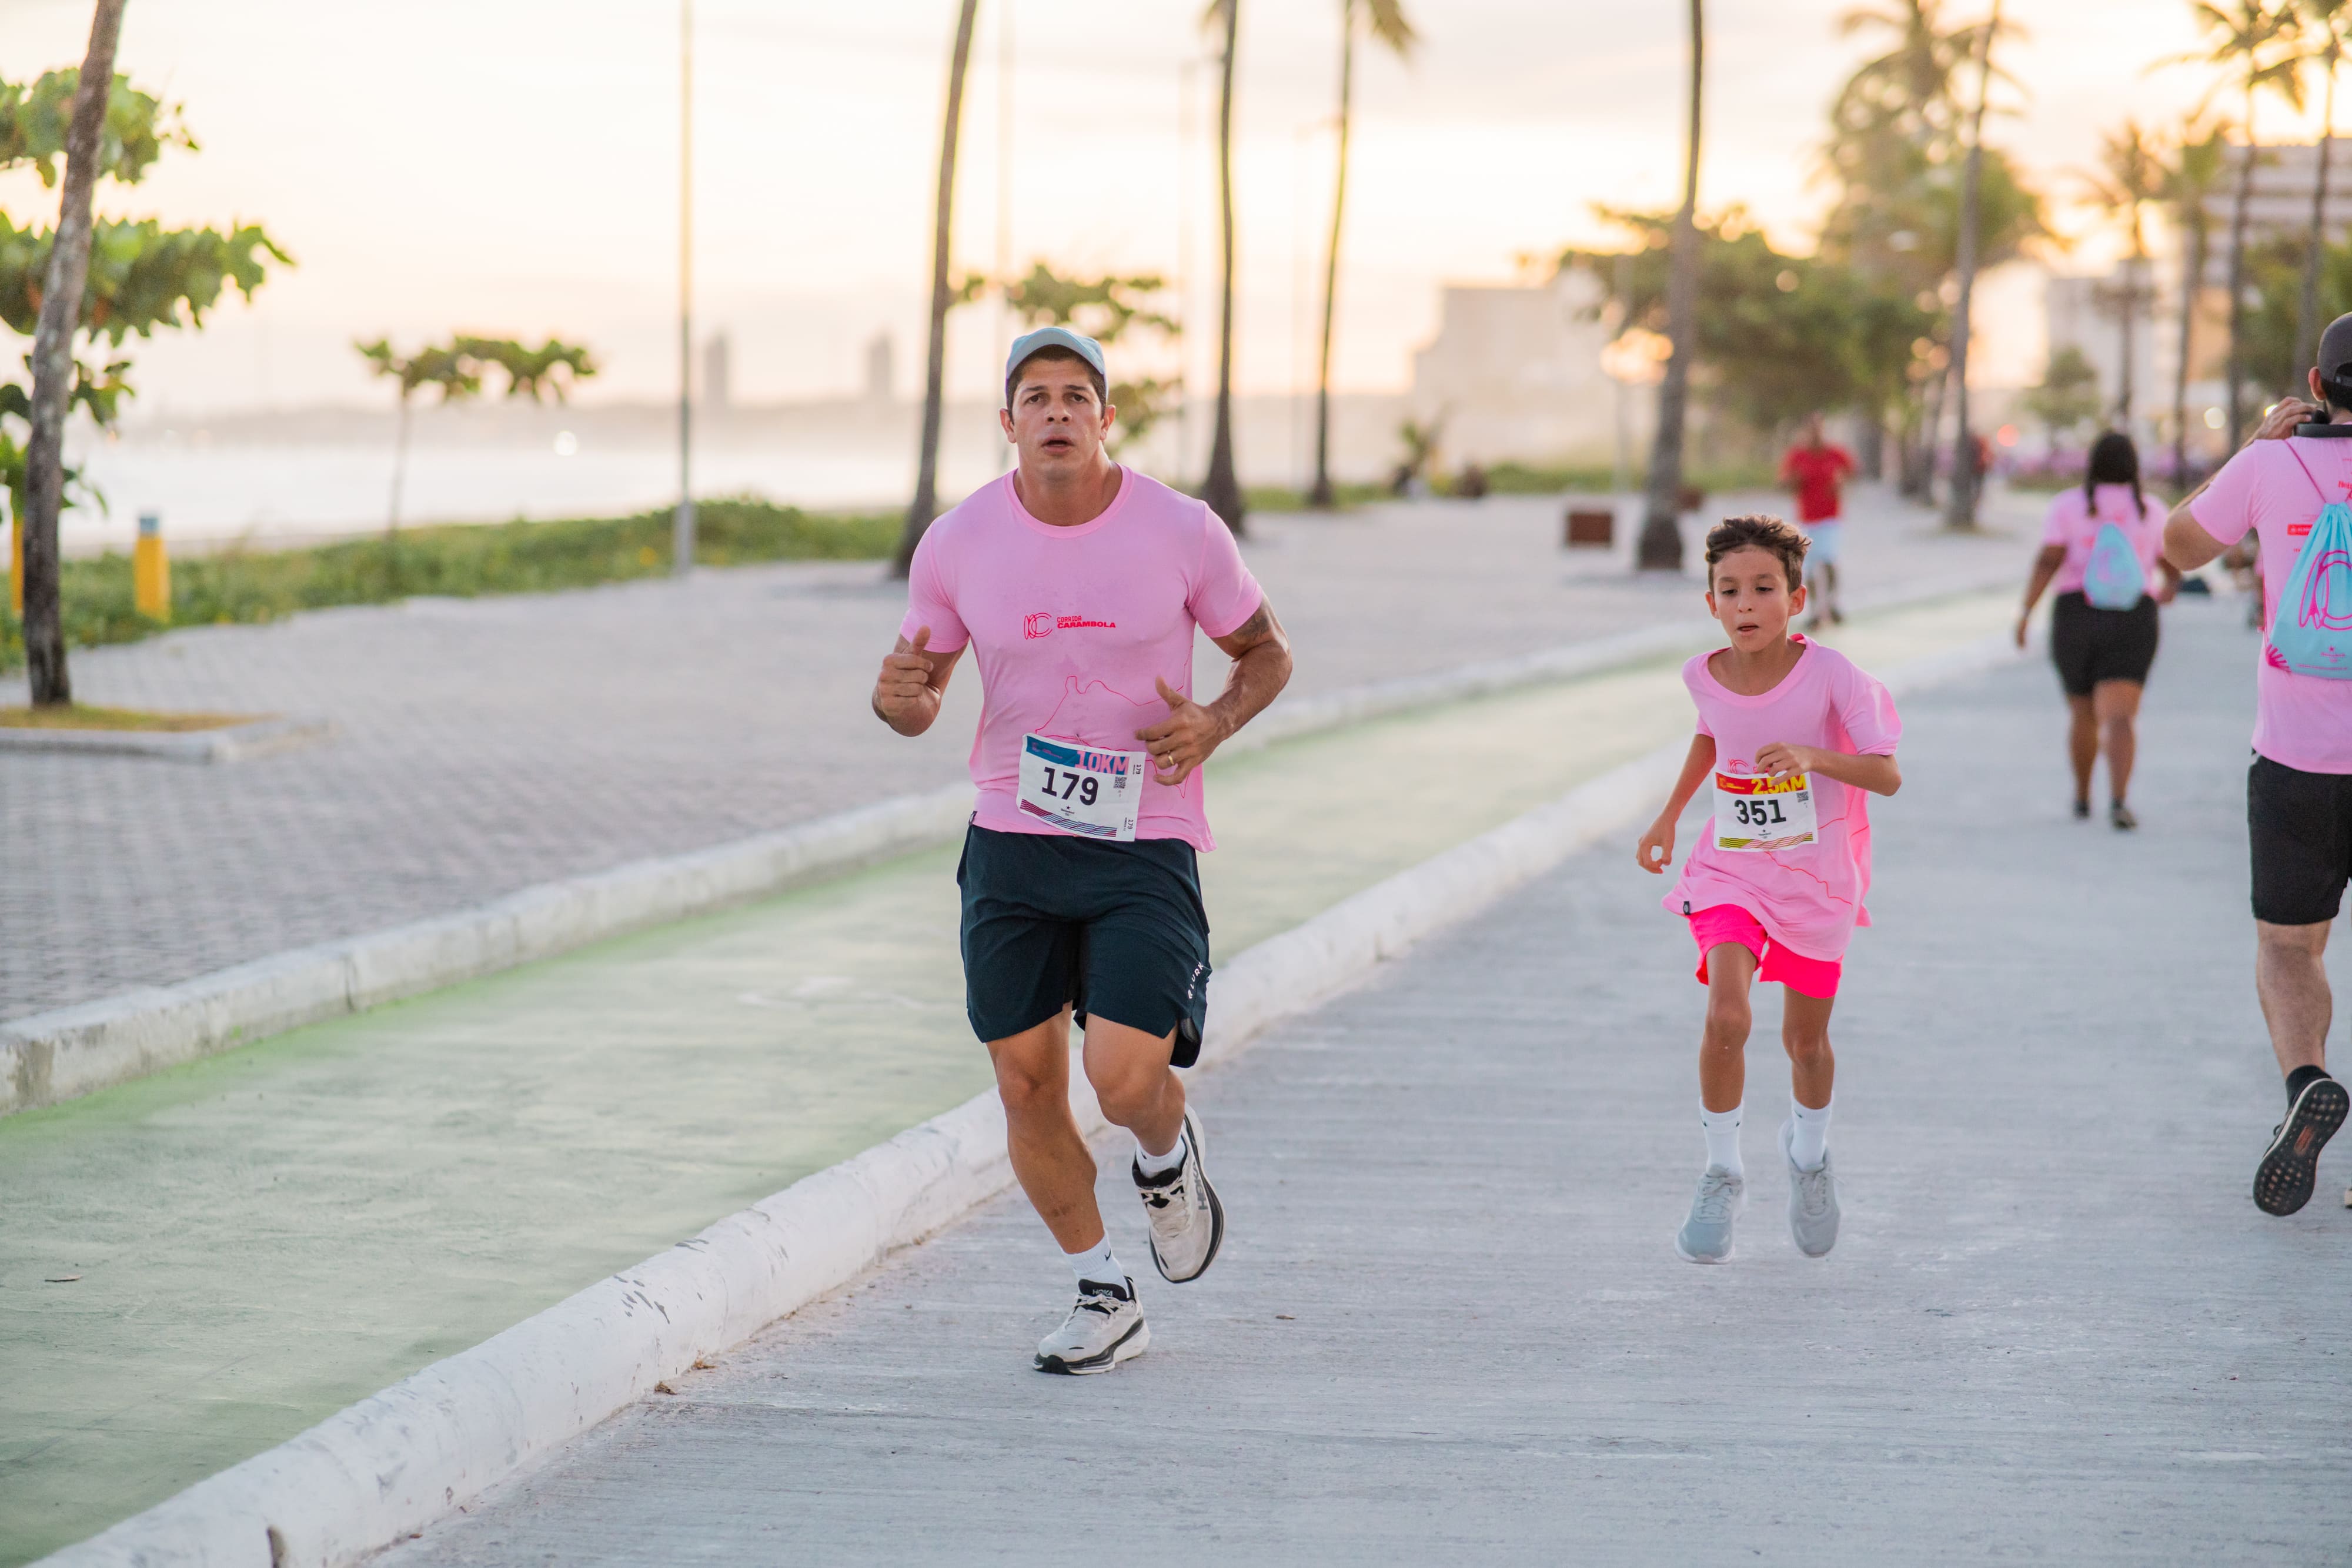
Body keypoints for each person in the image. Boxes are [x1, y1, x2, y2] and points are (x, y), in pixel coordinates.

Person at [871, 326, 1293, 1371]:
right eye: (1035, 396)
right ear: (1007, 423)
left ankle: (1166, 1153)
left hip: (1141, 836)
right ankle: (1104, 1290)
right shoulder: (956, 542)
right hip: (1012, 837)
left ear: (1106, 418)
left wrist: (1214, 721)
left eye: (1075, 395)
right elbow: (919, 697)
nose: (1055, 411)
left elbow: (1267, 651)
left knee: (1121, 1076)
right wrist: (899, 703)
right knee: (1024, 1083)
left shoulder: (1184, 531)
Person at [1635, 515, 1903, 1263]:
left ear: (1796, 598)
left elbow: (1886, 772)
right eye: (1729, 591)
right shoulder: (1702, 674)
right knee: (1727, 1013)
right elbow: (1710, 731)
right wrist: (1668, 816)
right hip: (1732, 868)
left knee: (1804, 1041)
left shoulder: (1833, 676)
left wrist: (1815, 758)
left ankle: (1809, 1156)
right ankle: (1721, 1171)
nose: (1745, 604)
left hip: (1817, 879)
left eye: (1762, 589)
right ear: (1711, 603)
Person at [2161, 310, 2352, 1218]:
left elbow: (2180, 547)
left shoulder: (2273, 463)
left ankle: (2306, 1079)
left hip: (2297, 758)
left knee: (2287, 944)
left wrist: (2252, 446)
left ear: (2316, 387)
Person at [2014, 431, 2181, 830]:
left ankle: (2083, 797)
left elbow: (2047, 561)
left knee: (2083, 713)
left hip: (2077, 614)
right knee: (2121, 717)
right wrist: (2168, 589)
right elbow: (2171, 562)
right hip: (2132, 617)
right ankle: (2120, 800)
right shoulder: (2151, 509)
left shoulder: (2068, 507)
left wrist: (2025, 613)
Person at [1778, 414, 1857, 630]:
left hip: (1830, 518)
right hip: (1806, 519)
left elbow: (1853, 471)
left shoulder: (1835, 453)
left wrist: (1841, 482)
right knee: (1810, 569)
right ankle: (1814, 610)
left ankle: (1832, 603)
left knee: (1830, 560)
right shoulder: (1798, 456)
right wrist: (1795, 481)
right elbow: (1783, 482)